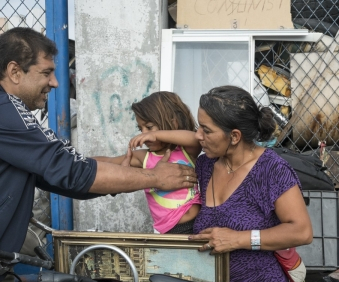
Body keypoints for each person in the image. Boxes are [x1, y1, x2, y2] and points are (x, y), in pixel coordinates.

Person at [0, 27, 196, 252]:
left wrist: (125, 179)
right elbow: (70, 170)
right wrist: (155, 177)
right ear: (15, 71)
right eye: (46, 73)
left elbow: (58, 174)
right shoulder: (6, 109)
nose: (55, 83)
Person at [188, 86, 312, 282]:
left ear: (233, 136)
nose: (198, 136)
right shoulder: (205, 165)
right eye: (197, 127)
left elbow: (301, 231)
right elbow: (183, 140)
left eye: (206, 130)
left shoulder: (272, 169)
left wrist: (238, 239)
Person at [93, 91, 201, 234]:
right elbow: (108, 162)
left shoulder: (186, 150)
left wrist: (155, 135)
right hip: (166, 232)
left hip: (193, 225)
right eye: (141, 129)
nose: (144, 134)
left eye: (149, 127)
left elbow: (195, 138)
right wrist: (74, 160)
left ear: (173, 122)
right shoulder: (144, 157)